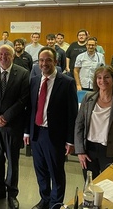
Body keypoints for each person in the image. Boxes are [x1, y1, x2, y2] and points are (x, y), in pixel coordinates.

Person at [24, 46, 78, 209]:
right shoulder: (34, 80)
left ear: (55, 61)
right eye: (41, 60)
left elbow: (72, 114)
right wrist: (27, 131)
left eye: (48, 60)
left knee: (56, 172)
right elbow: (30, 108)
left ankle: (56, 203)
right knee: (40, 171)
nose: (44, 63)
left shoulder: (67, 83)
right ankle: (45, 199)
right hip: (36, 133)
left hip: (55, 136)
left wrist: (70, 140)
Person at [0, 44, 30, 209]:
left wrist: (6, 117)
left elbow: (23, 99)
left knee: (12, 161)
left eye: (6, 55)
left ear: (12, 56)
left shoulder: (23, 73)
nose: (3, 57)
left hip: (12, 126)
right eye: (1, 54)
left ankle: (12, 193)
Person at [74, 66, 113, 179]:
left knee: (109, 185)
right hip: (89, 150)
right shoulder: (88, 98)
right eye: (99, 78)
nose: (102, 81)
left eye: (107, 77)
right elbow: (79, 125)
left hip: (110, 152)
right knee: (90, 185)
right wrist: (80, 151)